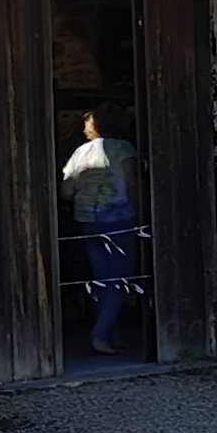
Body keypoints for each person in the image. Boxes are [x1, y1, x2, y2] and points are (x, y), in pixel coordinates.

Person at [61, 108, 144, 353]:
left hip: (87, 220)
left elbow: (66, 190)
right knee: (120, 279)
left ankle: (111, 336)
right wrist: (142, 212)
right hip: (118, 219)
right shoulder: (124, 149)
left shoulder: (80, 152)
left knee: (103, 280)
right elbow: (132, 184)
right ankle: (100, 335)